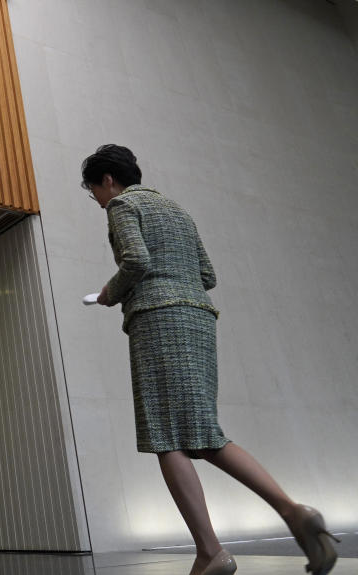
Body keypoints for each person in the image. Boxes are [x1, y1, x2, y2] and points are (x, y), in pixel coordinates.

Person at [81, 144, 339, 575]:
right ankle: (294, 512)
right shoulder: (178, 211)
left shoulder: (123, 206)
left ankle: (210, 551)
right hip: (199, 320)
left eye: (94, 192)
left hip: (158, 319)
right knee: (202, 433)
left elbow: (137, 261)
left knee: (166, 436)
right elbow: (208, 275)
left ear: (108, 180)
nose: (99, 201)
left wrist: (111, 292)